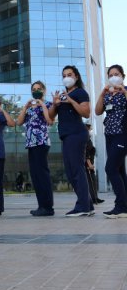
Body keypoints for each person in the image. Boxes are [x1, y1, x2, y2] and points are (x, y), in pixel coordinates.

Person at [49, 65, 93, 217]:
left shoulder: (80, 93)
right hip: (66, 136)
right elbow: (49, 118)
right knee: (71, 171)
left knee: (76, 170)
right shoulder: (61, 95)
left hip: (77, 134)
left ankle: (83, 207)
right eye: (64, 75)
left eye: (69, 74)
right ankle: (88, 204)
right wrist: (55, 104)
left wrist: (71, 101)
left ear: (76, 77)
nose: (66, 77)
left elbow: (86, 112)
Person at [17, 81, 54, 216]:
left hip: (41, 142)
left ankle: (48, 207)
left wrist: (42, 104)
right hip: (31, 144)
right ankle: (41, 206)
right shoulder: (30, 108)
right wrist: (26, 107)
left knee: (42, 175)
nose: (36, 91)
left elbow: (50, 120)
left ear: (44, 90)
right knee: (35, 176)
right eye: (34, 89)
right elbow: (19, 122)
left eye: (39, 89)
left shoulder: (48, 104)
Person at [95, 64, 127, 218]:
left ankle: (120, 206)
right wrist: (102, 94)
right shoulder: (108, 94)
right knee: (120, 170)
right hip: (109, 134)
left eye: (116, 74)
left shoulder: (125, 90)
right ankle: (124, 206)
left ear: (122, 76)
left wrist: (124, 91)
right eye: (110, 74)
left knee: (110, 168)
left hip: (123, 133)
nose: (113, 76)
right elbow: (98, 111)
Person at [85, 123, 104, 205]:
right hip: (87, 164)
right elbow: (86, 153)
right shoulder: (85, 139)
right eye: (89, 129)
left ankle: (95, 197)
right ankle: (92, 198)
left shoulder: (88, 139)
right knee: (90, 181)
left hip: (90, 163)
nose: (90, 130)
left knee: (93, 180)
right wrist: (89, 164)